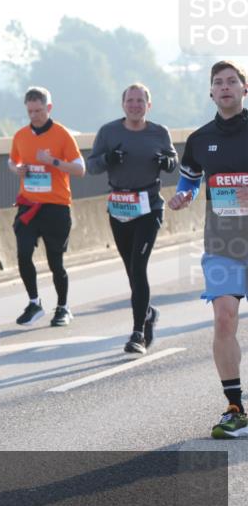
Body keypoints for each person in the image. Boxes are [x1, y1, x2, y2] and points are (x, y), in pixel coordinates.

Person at [169, 60, 248, 439]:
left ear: (244, 89)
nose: (226, 87)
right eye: (218, 82)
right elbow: (191, 180)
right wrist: (184, 196)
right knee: (223, 318)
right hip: (223, 243)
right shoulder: (200, 140)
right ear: (211, 93)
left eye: (232, 81)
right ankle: (235, 408)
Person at [88, 83, 176, 354]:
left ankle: (137, 333)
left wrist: (166, 163)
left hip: (149, 207)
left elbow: (173, 161)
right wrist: (108, 158)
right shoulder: (108, 131)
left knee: (138, 267)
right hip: (120, 208)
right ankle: (148, 314)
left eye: (141, 101)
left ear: (149, 105)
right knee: (131, 271)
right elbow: (91, 166)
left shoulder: (159, 132)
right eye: (131, 101)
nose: (135, 105)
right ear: (123, 104)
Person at [8, 87, 85, 327]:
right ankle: (34, 303)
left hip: (56, 207)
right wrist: (16, 169)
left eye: (39, 110)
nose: (34, 115)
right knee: (23, 254)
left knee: (55, 262)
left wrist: (52, 161)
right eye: (30, 111)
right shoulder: (21, 135)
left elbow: (80, 168)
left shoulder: (62, 135)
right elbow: (12, 160)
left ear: (49, 108)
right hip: (28, 205)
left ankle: (62, 307)